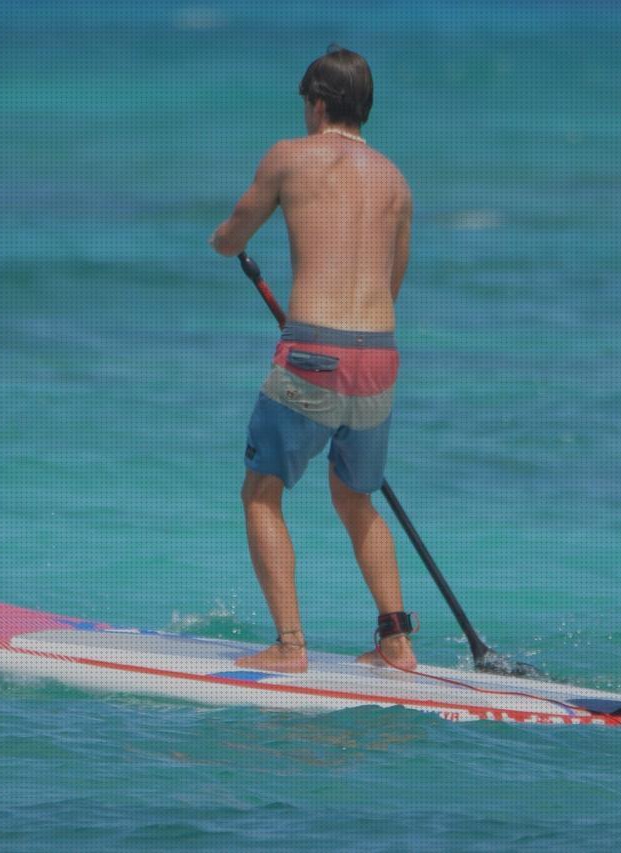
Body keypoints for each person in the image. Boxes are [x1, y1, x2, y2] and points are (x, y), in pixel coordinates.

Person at [209, 47, 416, 673]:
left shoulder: (289, 157)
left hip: (312, 357)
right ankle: (396, 642)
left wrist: (222, 242)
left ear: (318, 103)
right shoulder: (397, 181)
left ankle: (290, 646)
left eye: (306, 104)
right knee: (358, 498)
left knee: (261, 493)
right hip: (379, 357)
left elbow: (234, 233)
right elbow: (392, 280)